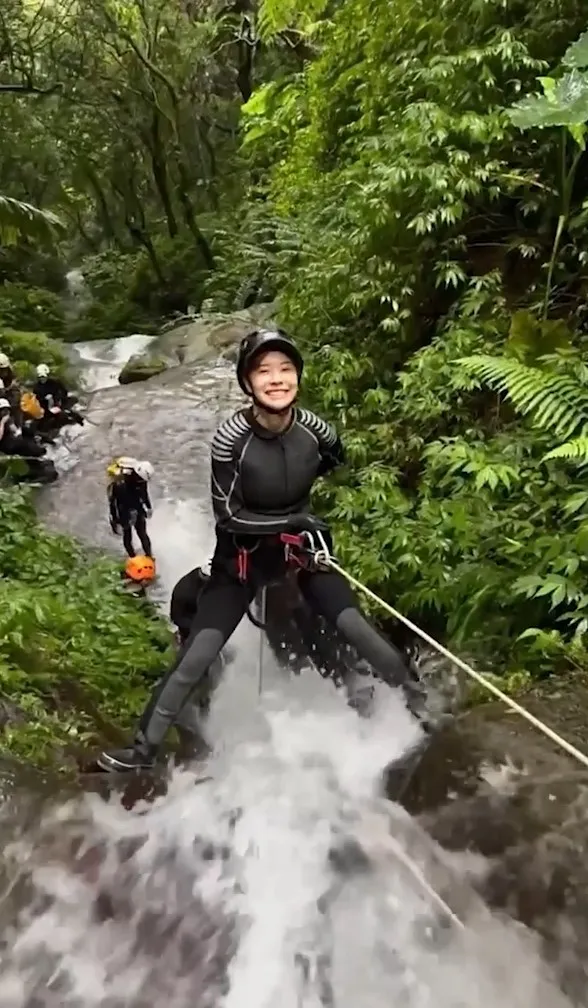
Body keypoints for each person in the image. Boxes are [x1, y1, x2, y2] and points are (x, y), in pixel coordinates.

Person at [97, 329, 423, 771]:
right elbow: (229, 516)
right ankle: (141, 750)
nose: (276, 379)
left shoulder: (316, 431)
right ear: (247, 383)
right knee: (197, 655)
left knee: (360, 631)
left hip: (300, 553)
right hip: (242, 561)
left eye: (286, 369)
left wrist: (303, 522)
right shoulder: (231, 438)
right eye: (263, 371)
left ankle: (422, 710)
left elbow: (332, 461)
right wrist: (295, 520)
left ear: (298, 378)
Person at [107, 457, 154, 559]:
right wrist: (114, 521)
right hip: (124, 509)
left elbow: (144, 494)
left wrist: (148, 507)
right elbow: (112, 504)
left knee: (142, 533)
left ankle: (149, 556)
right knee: (127, 535)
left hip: (137, 507)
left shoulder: (142, 481)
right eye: (140, 480)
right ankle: (132, 557)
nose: (142, 482)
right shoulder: (120, 484)